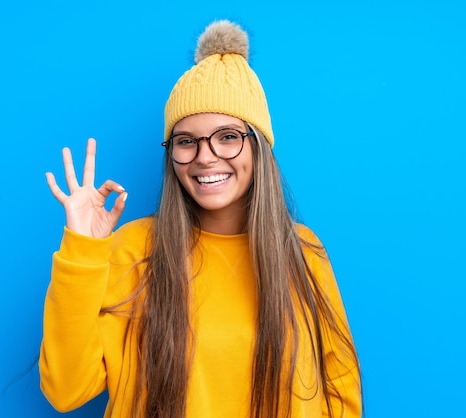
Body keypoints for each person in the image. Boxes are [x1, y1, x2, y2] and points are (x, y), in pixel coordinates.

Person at [40, 20, 362, 418]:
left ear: (258, 146)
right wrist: (84, 251)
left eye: (227, 136)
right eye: (186, 141)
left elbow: (341, 389)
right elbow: (65, 389)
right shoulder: (135, 249)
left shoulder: (303, 252)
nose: (205, 156)